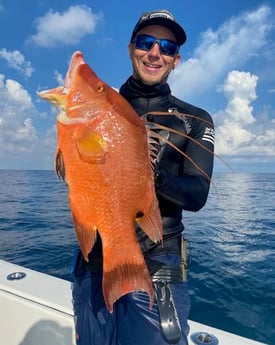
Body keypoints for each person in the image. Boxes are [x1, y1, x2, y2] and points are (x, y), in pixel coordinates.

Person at [72, 9, 215, 345]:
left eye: (166, 47)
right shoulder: (101, 108)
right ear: (131, 48)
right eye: (146, 42)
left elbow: (197, 195)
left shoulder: (194, 120)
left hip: (158, 264)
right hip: (95, 262)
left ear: (176, 59)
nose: (155, 53)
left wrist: (144, 171)